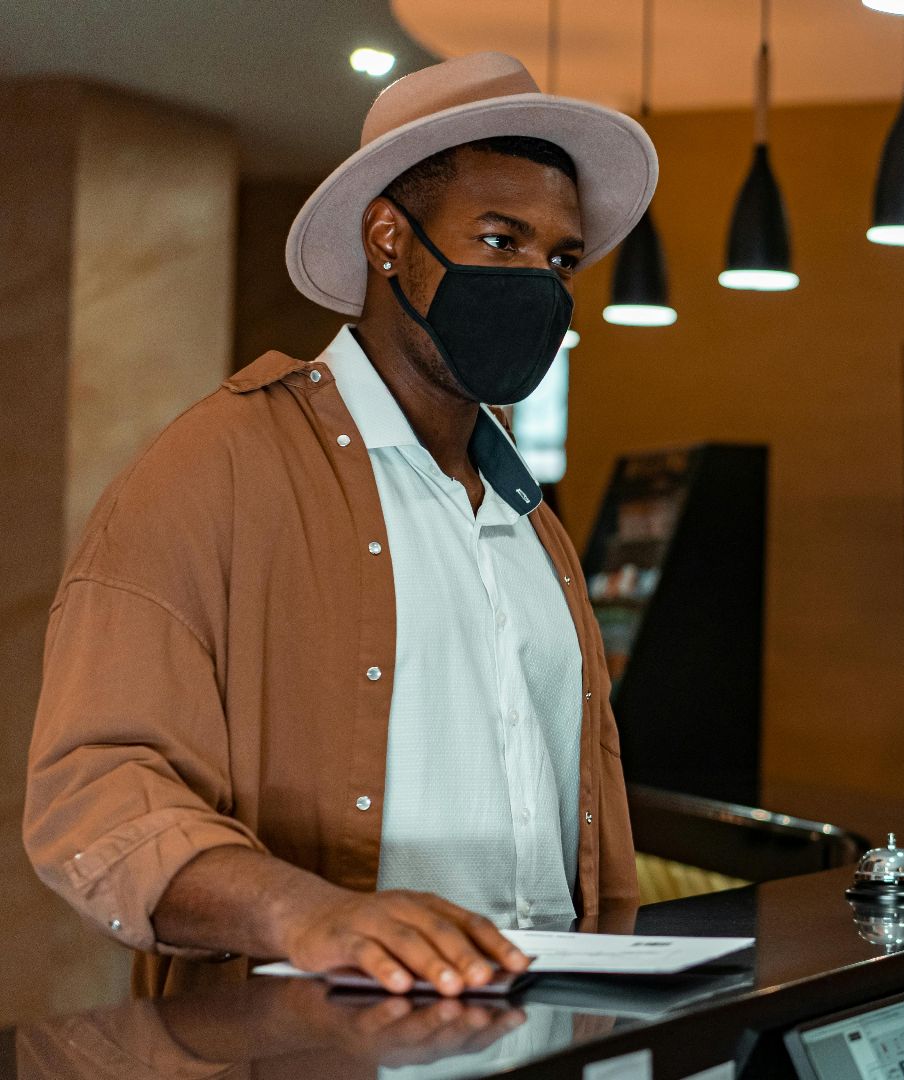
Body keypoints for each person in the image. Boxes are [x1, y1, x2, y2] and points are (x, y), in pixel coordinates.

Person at [22, 52, 659, 998]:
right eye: (498, 240)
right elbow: (93, 792)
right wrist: (305, 911)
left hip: (548, 1035)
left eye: (559, 258)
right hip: (306, 1046)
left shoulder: (533, 519)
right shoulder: (215, 468)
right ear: (387, 238)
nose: (538, 281)